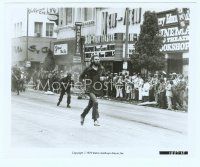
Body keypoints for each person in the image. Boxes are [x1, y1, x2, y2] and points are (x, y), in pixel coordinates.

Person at [79, 55, 105, 126]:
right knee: (95, 102)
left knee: (90, 105)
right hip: (89, 88)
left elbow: (105, 76)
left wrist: (104, 78)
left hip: (97, 88)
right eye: (95, 59)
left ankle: (82, 115)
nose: (97, 60)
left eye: (98, 59)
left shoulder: (101, 68)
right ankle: (95, 120)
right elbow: (81, 77)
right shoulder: (88, 69)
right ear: (92, 60)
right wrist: (82, 85)